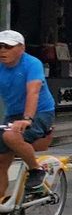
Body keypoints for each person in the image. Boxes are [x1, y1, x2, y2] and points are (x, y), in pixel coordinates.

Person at [0, 31, 55, 200]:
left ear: (21, 48)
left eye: (8, 47)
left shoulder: (32, 64)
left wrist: (27, 119)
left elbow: (33, 92)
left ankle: (36, 170)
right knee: (1, 159)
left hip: (40, 112)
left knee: (10, 136)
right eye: (0, 47)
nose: (3, 51)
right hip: (13, 113)